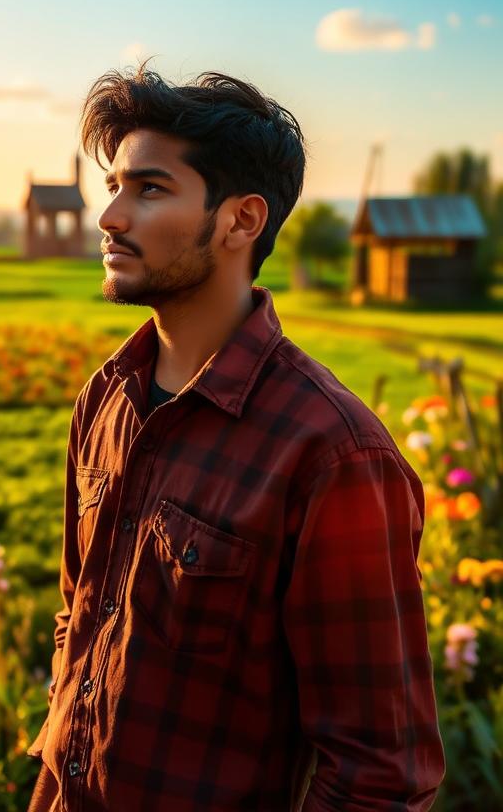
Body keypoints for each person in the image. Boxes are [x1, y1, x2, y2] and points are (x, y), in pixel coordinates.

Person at [25, 66, 446, 812]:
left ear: (241, 221)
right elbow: (78, 618)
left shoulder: (333, 455)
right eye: (114, 186)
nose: (111, 217)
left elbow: (380, 776)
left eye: (150, 189)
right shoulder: (106, 398)